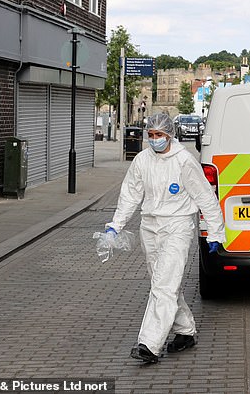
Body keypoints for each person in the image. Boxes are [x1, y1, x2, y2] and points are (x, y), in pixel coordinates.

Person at [104, 113, 225, 363]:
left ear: (170, 134)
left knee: (164, 286)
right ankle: (185, 331)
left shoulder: (184, 161)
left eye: (159, 135)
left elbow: (205, 197)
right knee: (163, 285)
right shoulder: (142, 160)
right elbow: (130, 195)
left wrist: (215, 231)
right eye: (151, 135)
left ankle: (149, 344)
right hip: (149, 226)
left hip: (177, 227)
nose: (155, 139)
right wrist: (115, 226)